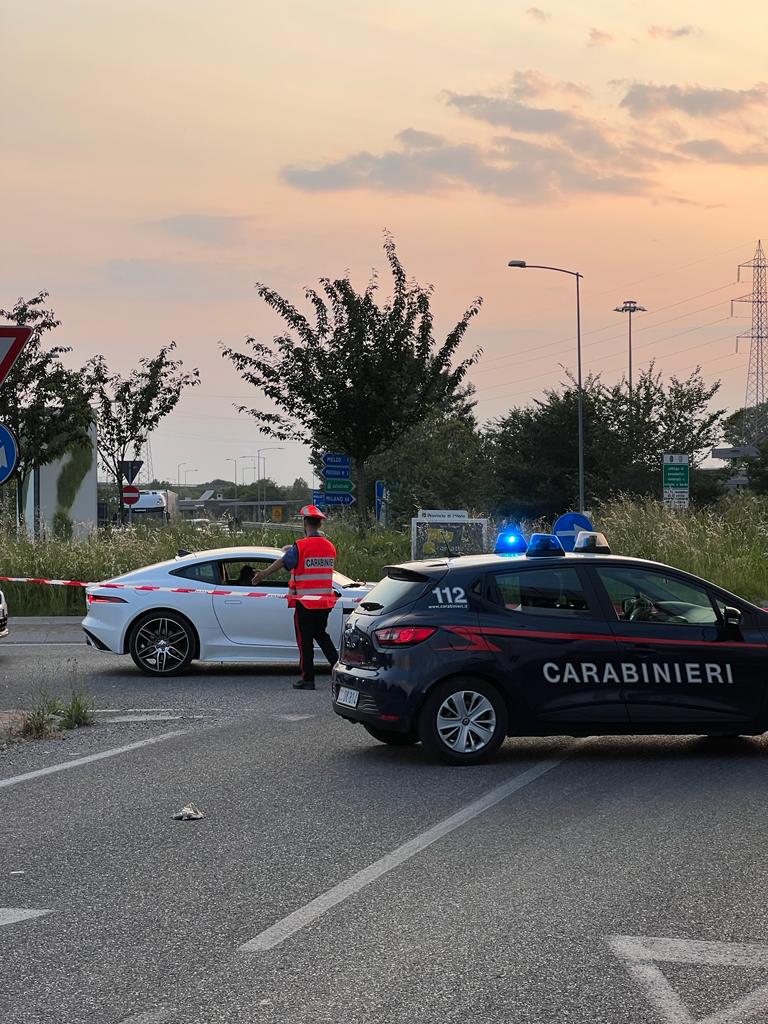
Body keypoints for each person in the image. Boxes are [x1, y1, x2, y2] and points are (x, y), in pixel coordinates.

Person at [252, 504, 338, 690]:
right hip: (324, 602)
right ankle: (339, 672)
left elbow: (286, 562)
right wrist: (293, 548)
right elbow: (312, 556)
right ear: (319, 525)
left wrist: (263, 574)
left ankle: (308, 679)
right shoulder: (329, 547)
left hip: (305, 604)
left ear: (305, 522)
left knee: (304, 641)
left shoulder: (301, 546)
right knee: (322, 636)